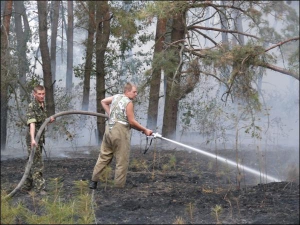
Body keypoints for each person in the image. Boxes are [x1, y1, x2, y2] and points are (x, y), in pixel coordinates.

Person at [89, 82, 153, 189]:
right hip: (120, 133)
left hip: (109, 130)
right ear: (127, 91)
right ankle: (118, 187)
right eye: (134, 92)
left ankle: (93, 182)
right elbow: (131, 122)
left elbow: (103, 101)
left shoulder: (116, 97)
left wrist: (111, 115)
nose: (136, 94)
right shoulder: (128, 103)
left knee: (103, 157)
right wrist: (145, 130)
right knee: (122, 161)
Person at [23, 84, 55, 193]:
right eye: (39, 94)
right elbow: (32, 124)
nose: (42, 96)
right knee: (37, 163)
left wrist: (48, 120)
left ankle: (26, 185)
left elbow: (41, 121)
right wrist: (32, 139)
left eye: (43, 94)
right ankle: (40, 188)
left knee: (31, 161)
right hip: (33, 139)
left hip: (40, 139)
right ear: (34, 94)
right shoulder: (32, 106)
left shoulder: (42, 104)